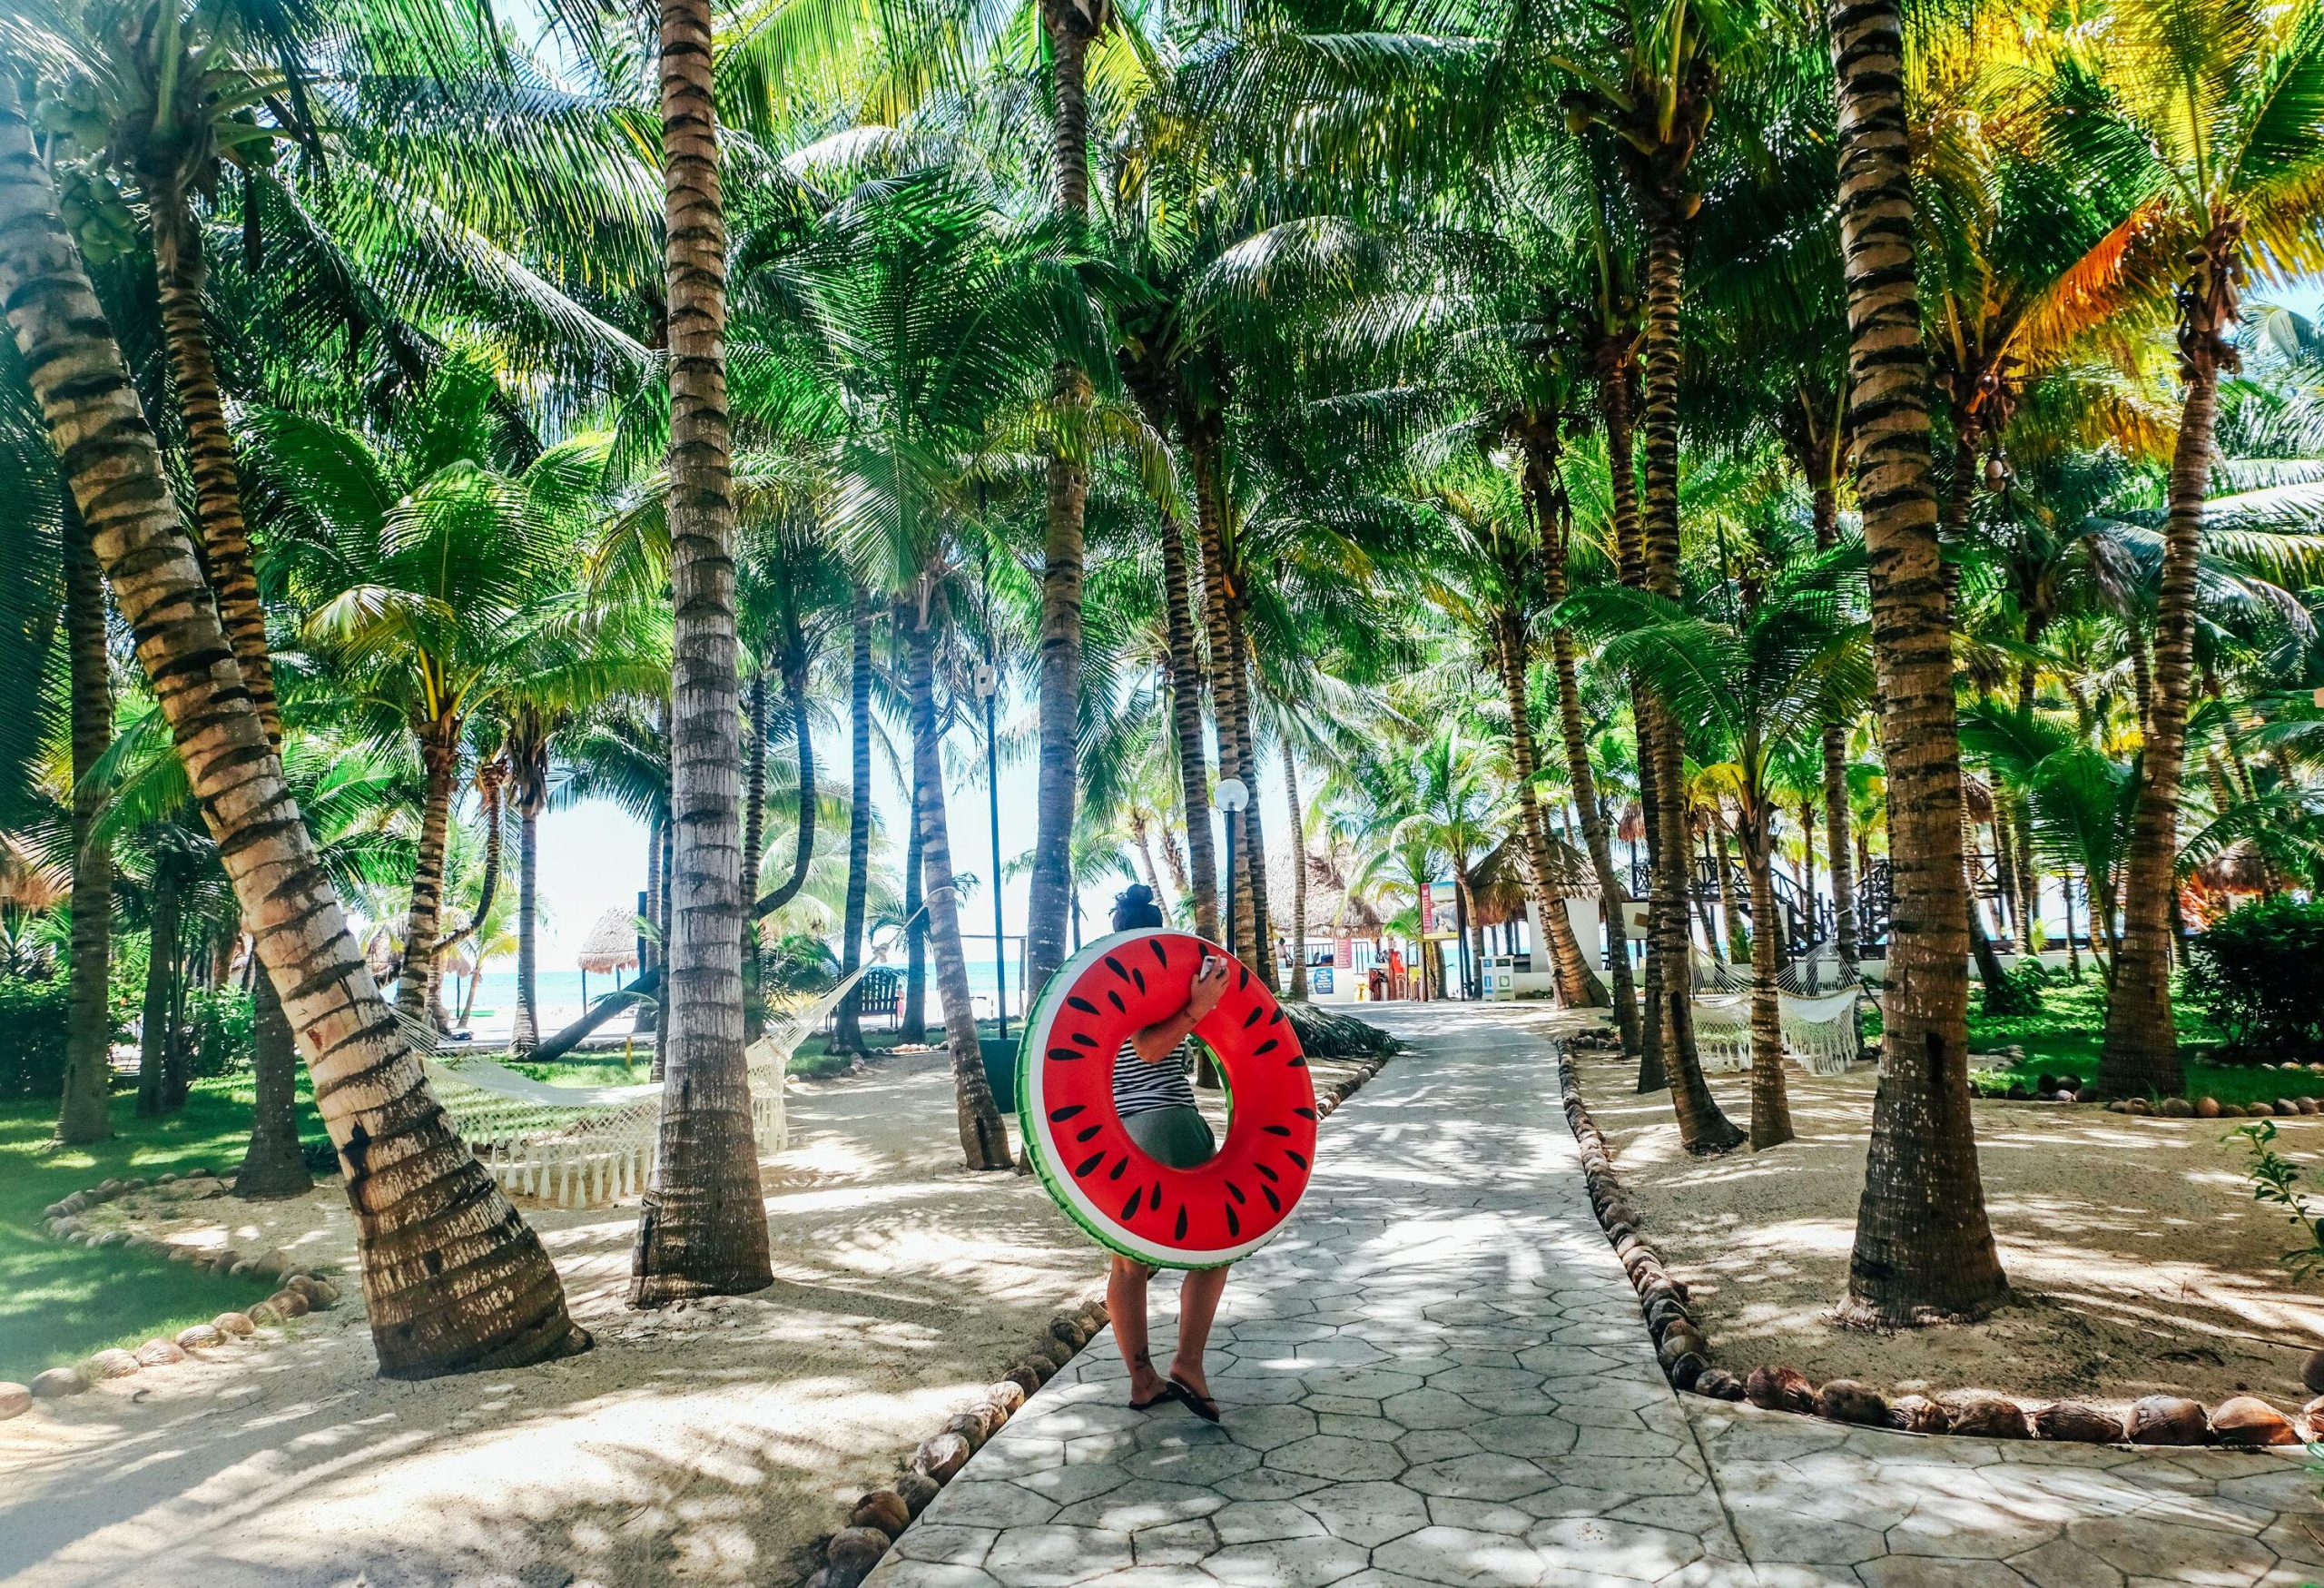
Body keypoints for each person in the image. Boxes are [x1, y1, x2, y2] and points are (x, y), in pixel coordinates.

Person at [1104, 884, 1232, 1420]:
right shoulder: (1150, 978)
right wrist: (1198, 1007)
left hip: (1120, 1135)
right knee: (1216, 1247)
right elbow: (1149, 1047)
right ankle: (1188, 1363)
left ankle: (1142, 1381)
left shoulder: (1106, 979)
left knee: (1127, 1267)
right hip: (1167, 1125)